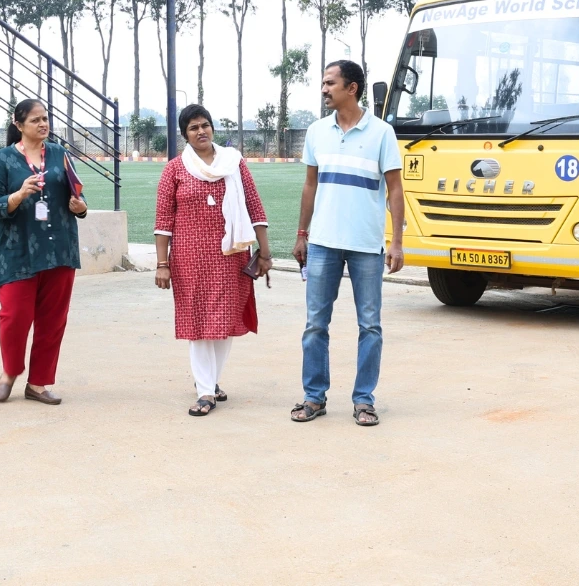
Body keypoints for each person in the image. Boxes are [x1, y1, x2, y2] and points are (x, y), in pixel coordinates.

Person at [291, 60, 404, 426]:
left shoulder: (382, 133)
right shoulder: (317, 132)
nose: (324, 89)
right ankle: (314, 397)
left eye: (330, 83)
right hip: (322, 244)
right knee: (315, 325)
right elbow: (311, 185)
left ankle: (364, 400)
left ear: (351, 88)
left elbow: (396, 189)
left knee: (370, 325)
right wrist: (301, 234)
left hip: (366, 246)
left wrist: (397, 242)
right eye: (323, 83)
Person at [154, 104, 273, 417]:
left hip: (231, 256)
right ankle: (205, 390)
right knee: (197, 323)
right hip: (189, 259)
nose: (201, 131)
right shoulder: (175, 170)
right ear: (185, 135)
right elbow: (163, 220)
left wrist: (265, 252)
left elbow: (255, 208)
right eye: (193, 128)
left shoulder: (234, 164)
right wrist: (161, 263)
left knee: (224, 320)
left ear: (212, 128)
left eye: (204, 125)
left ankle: (211, 381)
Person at [0, 98, 87, 405]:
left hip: (59, 250)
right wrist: (17, 196)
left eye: (46, 118)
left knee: (53, 320)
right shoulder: (2, 160)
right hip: (16, 251)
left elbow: (77, 193)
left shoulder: (59, 155)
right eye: (35, 120)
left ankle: (39, 383)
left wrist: (80, 207)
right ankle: (10, 372)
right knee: (14, 316)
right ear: (19, 125)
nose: (43, 124)